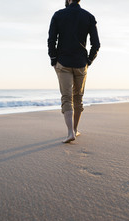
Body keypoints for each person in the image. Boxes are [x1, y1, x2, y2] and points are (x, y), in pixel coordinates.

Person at [48, 0, 100, 143]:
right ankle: (75, 130)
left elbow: (52, 40)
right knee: (78, 97)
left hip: (63, 62)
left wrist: (53, 59)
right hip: (80, 63)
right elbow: (96, 44)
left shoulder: (58, 15)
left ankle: (70, 132)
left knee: (66, 97)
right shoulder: (88, 16)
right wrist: (89, 60)